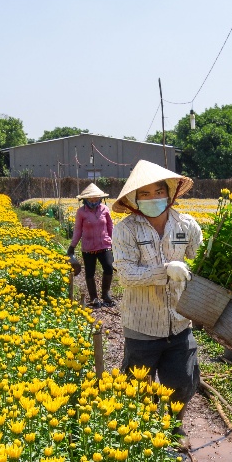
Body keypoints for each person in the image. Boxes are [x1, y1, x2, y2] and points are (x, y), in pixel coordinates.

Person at [112, 159, 204, 413]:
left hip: (179, 320)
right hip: (142, 324)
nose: (153, 197)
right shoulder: (126, 230)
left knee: (183, 383)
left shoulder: (185, 225)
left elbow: (202, 261)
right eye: (145, 193)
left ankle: (175, 426)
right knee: (138, 388)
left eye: (158, 191)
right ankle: (145, 432)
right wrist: (165, 271)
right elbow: (127, 275)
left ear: (169, 194)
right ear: (134, 199)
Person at [67, 183, 115, 307]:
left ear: (100, 198)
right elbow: (78, 230)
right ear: (85, 200)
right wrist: (72, 246)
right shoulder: (81, 212)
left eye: (96, 198)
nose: (94, 201)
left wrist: (113, 241)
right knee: (90, 272)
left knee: (109, 267)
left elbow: (110, 226)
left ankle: (105, 294)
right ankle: (94, 298)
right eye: (91, 199)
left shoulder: (105, 209)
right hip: (88, 247)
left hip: (104, 245)